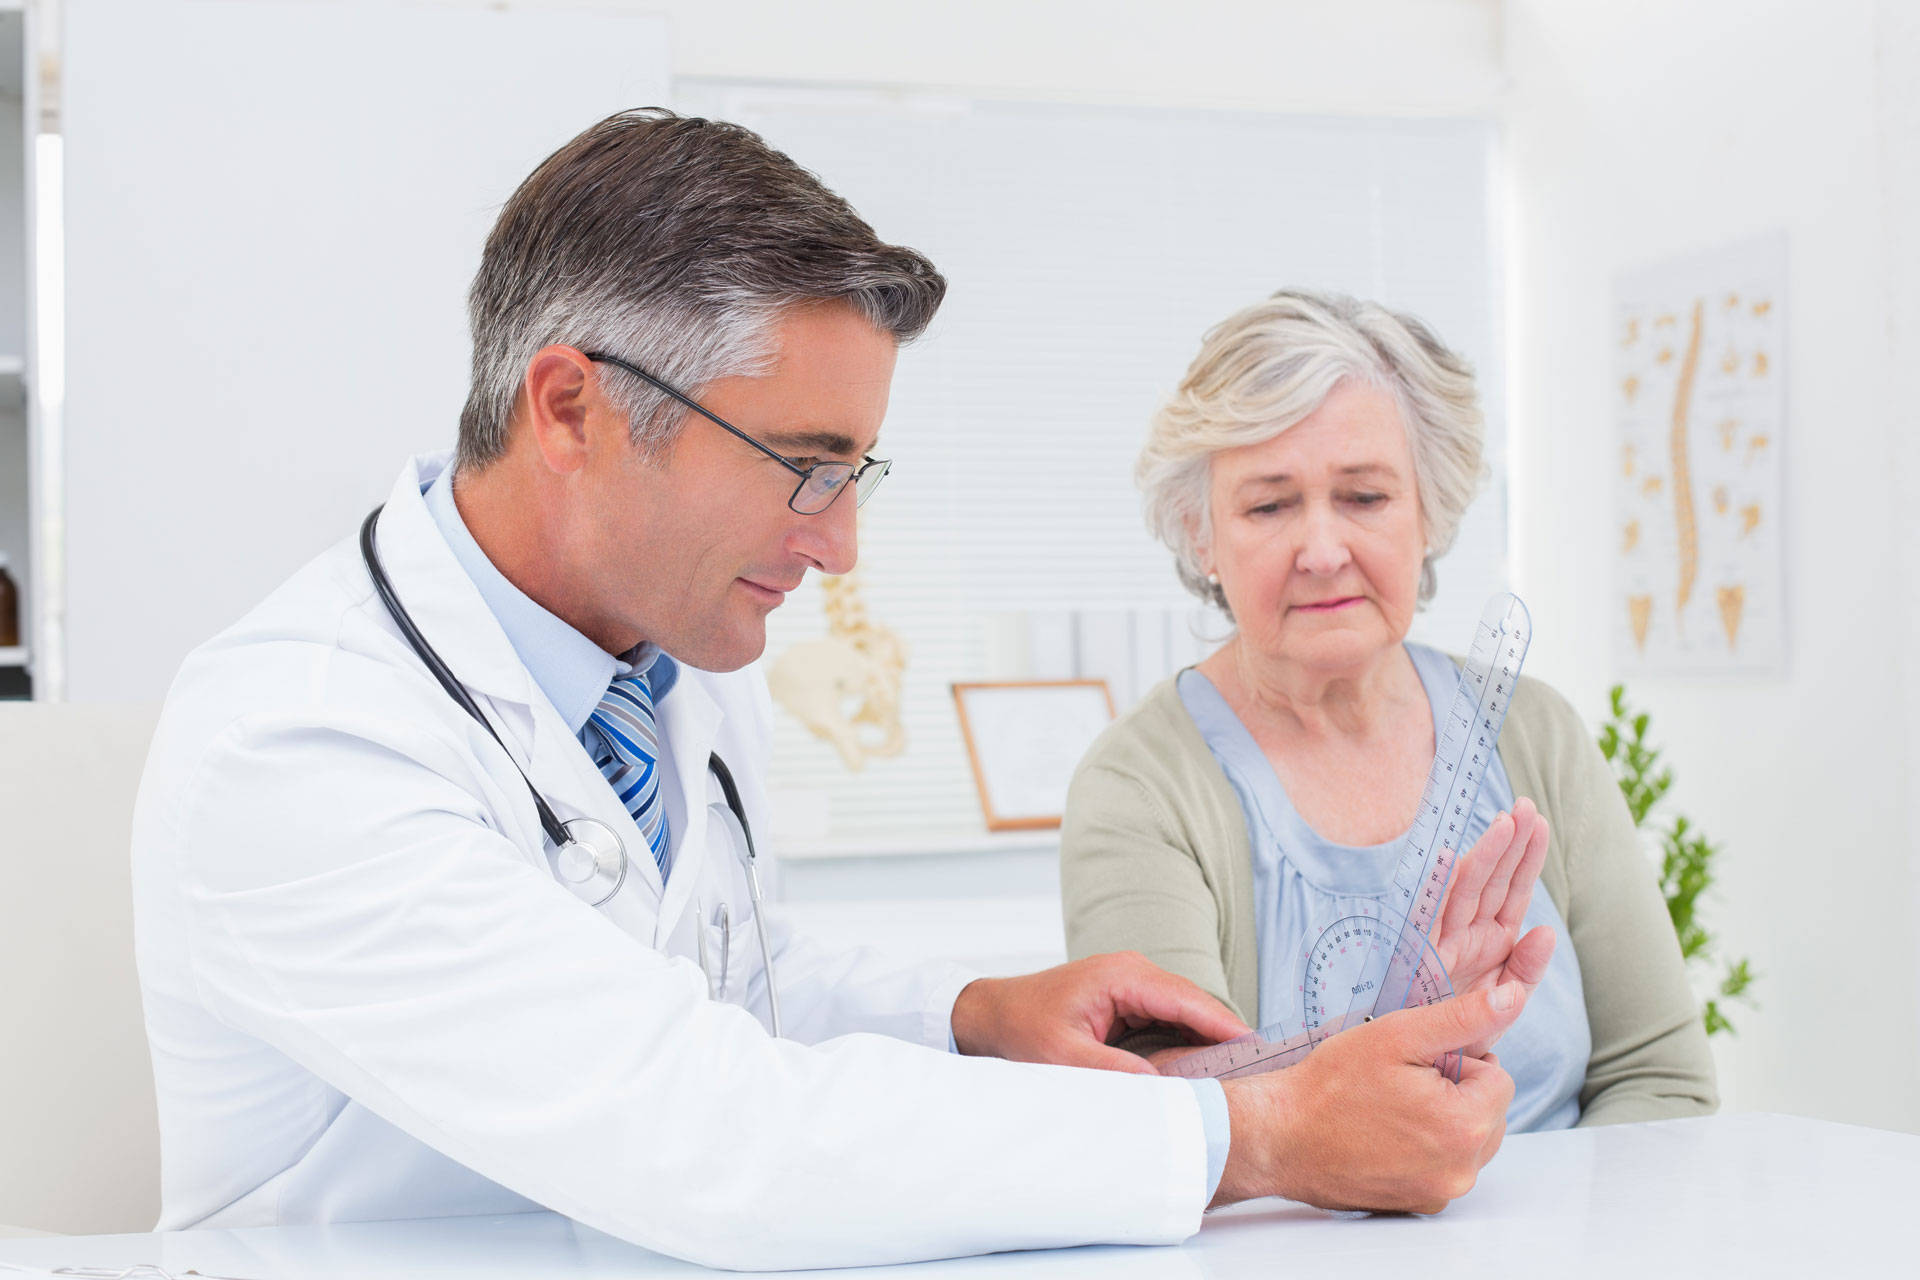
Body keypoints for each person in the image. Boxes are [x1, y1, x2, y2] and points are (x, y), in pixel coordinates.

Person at [131, 114, 1536, 1272]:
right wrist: (1257, 1137)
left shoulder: (669, 658)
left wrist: (975, 1015)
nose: (839, 544)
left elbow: (735, 978)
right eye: (805, 466)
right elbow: (703, 1127)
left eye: (855, 474)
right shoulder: (299, 740)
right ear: (570, 410)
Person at [1061, 289, 1718, 1129]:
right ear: (1202, 536)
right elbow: (1179, 1126)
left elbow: (1661, 1078)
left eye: (1365, 497)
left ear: (1429, 510)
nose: (1323, 550)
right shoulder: (1141, 787)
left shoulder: (1534, 732)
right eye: (1269, 505)